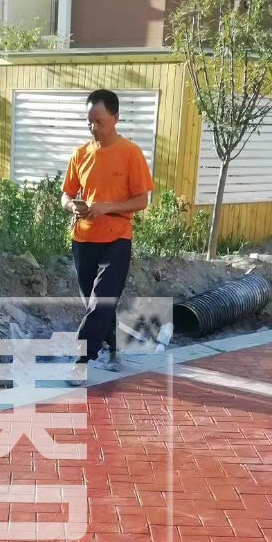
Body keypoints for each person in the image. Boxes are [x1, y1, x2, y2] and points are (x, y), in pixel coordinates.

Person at [61, 89, 154, 369]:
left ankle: (81, 358)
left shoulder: (130, 153)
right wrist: (72, 206)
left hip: (117, 239)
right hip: (83, 239)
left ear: (116, 118)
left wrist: (107, 207)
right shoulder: (81, 154)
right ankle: (114, 347)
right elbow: (65, 195)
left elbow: (142, 200)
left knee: (102, 301)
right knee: (97, 304)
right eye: (89, 121)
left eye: (99, 121)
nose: (93, 127)